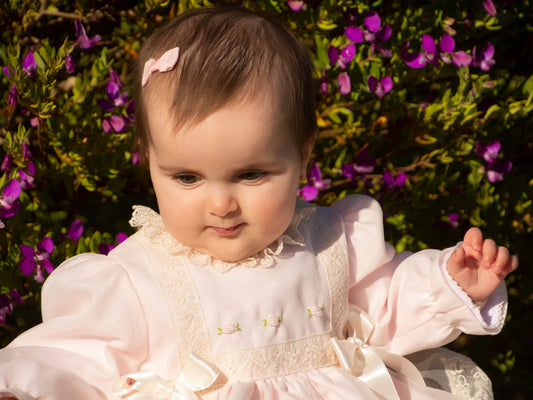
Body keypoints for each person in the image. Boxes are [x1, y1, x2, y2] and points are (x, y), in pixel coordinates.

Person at [0, 6, 518, 400]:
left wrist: (450, 284)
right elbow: (75, 356)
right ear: (149, 161)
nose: (221, 203)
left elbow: (387, 307)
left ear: (303, 156)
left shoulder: (332, 242)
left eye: (251, 174)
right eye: (186, 177)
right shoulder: (138, 277)